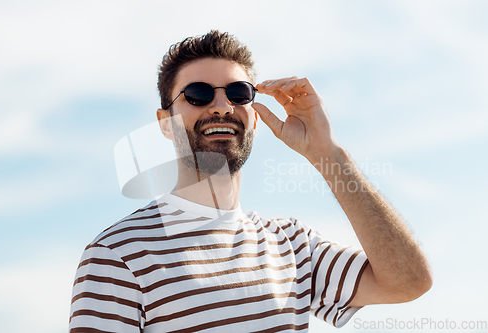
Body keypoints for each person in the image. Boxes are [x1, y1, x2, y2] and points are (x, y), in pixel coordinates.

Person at [69, 30, 432, 332]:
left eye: (238, 93)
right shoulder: (117, 255)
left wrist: (327, 154)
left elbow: (409, 281)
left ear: (254, 117)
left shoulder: (293, 245)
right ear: (166, 123)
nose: (222, 106)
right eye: (198, 93)